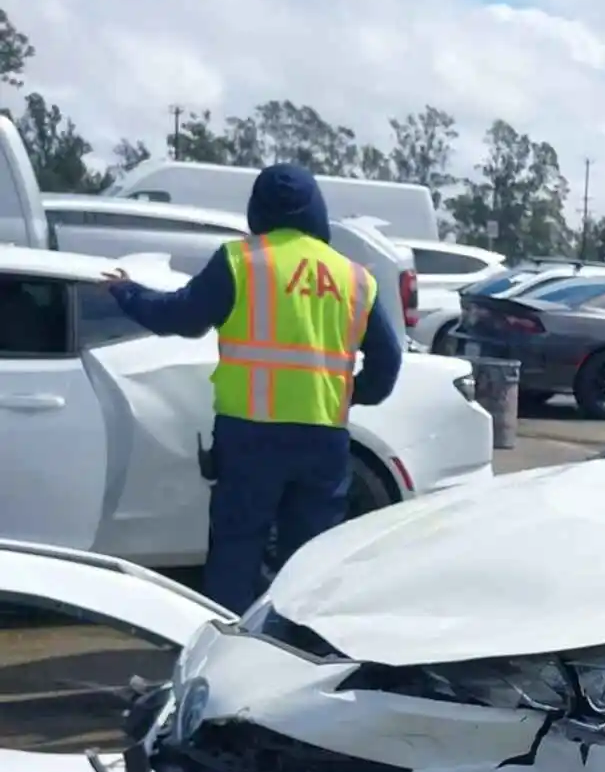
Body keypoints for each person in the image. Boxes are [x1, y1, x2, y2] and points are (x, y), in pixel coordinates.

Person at [100, 164, 403, 613]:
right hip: (324, 436)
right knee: (311, 562)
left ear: (258, 208)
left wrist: (128, 293)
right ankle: (300, 654)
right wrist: (351, 394)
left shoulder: (240, 261)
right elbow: (388, 360)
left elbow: (180, 317)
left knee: (237, 552)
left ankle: (228, 651)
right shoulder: (353, 277)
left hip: (251, 434)